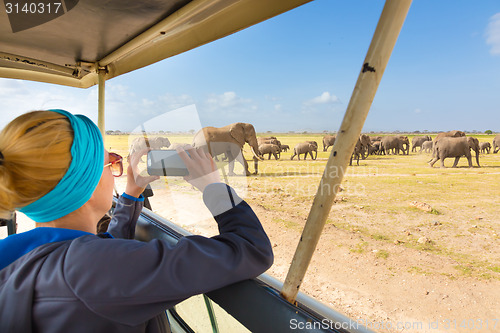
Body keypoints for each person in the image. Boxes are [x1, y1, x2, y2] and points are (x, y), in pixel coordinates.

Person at [0, 109, 273, 332]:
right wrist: (214, 188)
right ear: (87, 183)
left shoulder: (15, 255)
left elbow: (101, 261)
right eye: (111, 163)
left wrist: (130, 196)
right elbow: (252, 249)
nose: (117, 170)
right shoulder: (98, 268)